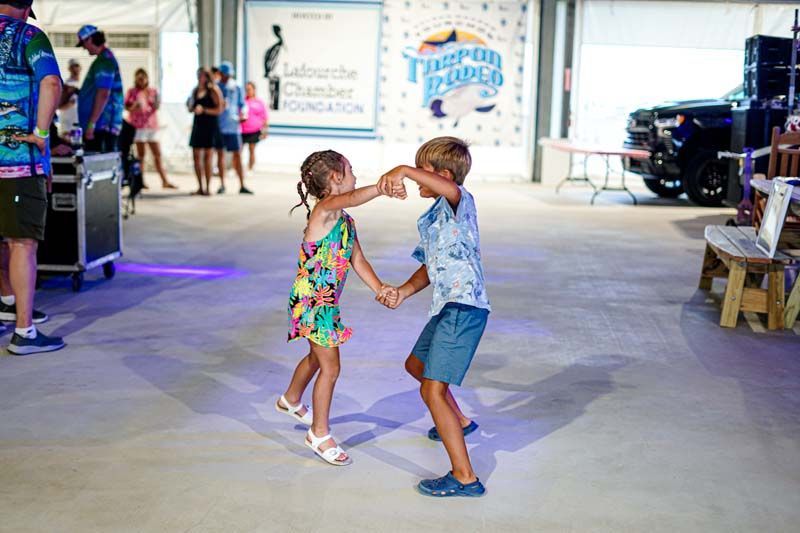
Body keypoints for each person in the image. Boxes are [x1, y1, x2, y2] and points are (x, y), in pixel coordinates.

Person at [376, 137, 490, 497]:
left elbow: (451, 188)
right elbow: (429, 267)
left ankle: (465, 477)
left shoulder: (460, 202)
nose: (414, 180)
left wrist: (403, 170)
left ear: (442, 176)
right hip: (446, 306)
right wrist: (403, 291)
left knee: (433, 390)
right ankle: (459, 421)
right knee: (416, 365)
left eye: (420, 172)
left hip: (464, 308)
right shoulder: (432, 217)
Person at [276, 150, 397, 466]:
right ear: (336, 178)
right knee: (330, 367)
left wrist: (380, 288)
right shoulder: (325, 210)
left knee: (318, 358)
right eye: (351, 169)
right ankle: (319, 433)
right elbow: (355, 197)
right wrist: (381, 188)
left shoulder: (344, 220)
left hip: (323, 302)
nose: (355, 175)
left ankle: (290, 398)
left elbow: (357, 259)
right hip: (313, 302)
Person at [0, 0, 65, 354]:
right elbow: (52, 83)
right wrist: (40, 133)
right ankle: (24, 332)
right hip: (16, 162)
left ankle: (4, 302)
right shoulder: (30, 37)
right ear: (26, 8)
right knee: (21, 243)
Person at [124, 68, 177, 190]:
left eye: (143, 78)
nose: (141, 80)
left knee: (157, 154)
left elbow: (156, 106)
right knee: (141, 155)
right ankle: (140, 181)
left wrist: (155, 102)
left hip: (151, 126)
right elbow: (127, 107)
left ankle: (164, 180)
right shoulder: (132, 92)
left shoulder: (152, 91)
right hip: (138, 126)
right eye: (139, 78)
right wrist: (135, 106)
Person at [75, 24, 123, 153]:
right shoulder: (104, 59)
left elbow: (103, 94)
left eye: (83, 44)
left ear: (89, 39)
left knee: (99, 168)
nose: (84, 48)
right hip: (100, 126)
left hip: (102, 127)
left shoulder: (104, 61)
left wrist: (91, 124)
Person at [215, 61, 252, 194]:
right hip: (219, 126)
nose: (227, 77)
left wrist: (244, 113)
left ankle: (242, 185)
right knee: (220, 156)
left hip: (234, 126)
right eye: (224, 74)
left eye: (228, 74)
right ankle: (222, 184)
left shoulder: (236, 87)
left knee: (237, 155)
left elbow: (242, 104)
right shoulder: (216, 87)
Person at [188, 68, 224, 196]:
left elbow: (219, 109)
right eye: (199, 75)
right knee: (196, 157)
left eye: (203, 76)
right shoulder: (195, 90)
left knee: (208, 157)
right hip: (198, 125)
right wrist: (192, 108)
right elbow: (190, 106)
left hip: (210, 125)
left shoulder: (213, 90)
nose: (201, 78)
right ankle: (200, 186)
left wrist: (204, 110)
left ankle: (208, 187)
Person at [240, 81, 268, 173]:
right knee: (239, 150)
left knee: (251, 149)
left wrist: (265, 131)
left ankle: (250, 168)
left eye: (249, 89)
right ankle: (238, 168)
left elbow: (265, 118)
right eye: (246, 90)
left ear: (254, 90)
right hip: (242, 130)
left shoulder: (259, 102)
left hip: (254, 130)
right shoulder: (243, 101)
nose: (248, 91)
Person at [57, 58, 81, 138]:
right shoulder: (67, 85)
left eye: (77, 66)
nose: (75, 69)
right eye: (73, 66)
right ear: (69, 69)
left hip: (77, 121)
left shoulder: (81, 83)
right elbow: (60, 106)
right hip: (68, 122)